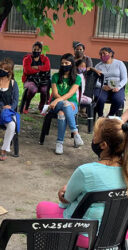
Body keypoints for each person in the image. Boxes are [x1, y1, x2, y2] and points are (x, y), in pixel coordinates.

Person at [36, 117, 127, 249]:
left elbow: (66, 200)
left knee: (42, 207)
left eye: (95, 136)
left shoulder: (86, 171)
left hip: (85, 234)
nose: (93, 139)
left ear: (103, 145)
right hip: (117, 233)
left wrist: (62, 193)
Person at [49, 53, 83, 155]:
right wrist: (59, 101)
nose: (64, 65)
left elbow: (70, 94)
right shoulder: (55, 76)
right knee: (65, 104)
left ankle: (59, 143)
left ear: (72, 64)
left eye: (66, 63)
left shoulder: (77, 78)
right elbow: (55, 93)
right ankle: (75, 133)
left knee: (61, 114)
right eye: (62, 63)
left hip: (71, 104)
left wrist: (58, 100)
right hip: (57, 104)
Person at [94, 47, 127, 117]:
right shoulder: (98, 66)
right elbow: (94, 80)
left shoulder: (119, 63)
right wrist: (102, 86)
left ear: (111, 54)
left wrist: (118, 87)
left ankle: (110, 115)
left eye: (104, 53)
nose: (102, 55)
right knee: (99, 98)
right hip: (103, 85)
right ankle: (100, 116)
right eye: (101, 54)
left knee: (118, 99)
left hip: (116, 85)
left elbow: (124, 78)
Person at [21, 41, 51, 114]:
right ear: (32, 49)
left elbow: (47, 68)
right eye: (34, 49)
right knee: (32, 89)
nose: (36, 51)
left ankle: (41, 108)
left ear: (41, 50)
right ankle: (26, 105)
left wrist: (36, 67)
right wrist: (41, 69)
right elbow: (27, 70)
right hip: (29, 80)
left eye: (38, 50)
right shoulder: (27, 59)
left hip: (42, 80)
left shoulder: (45, 59)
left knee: (44, 90)